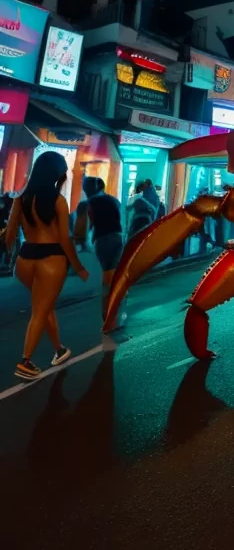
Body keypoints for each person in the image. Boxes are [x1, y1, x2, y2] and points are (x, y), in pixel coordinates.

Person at [3, 151, 89, 381]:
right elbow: (64, 239)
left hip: (25, 258)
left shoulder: (21, 197)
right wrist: (78, 266)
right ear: (57, 174)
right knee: (40, 310)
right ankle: (25, 361)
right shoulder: (58, 201)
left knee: (44, 306)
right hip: (51, 259)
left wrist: (9, 252)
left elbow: (10, 233)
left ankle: (59, 349)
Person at [84, 177, 125, 328]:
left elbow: (90, 224)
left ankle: (107, 316)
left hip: (101, 240)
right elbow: (122, 219)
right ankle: (114, 314)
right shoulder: (114, 200)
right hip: (117, 238)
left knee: (107, 279)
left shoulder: (91, 203)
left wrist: (86, 242)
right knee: (115, 277)